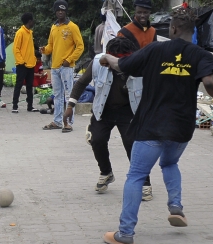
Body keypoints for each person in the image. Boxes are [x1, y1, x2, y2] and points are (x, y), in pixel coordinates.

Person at [99, 7, 213, 244]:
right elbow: (210, 82)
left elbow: (122, 65)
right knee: (169, 163)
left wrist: (106, 58)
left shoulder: (154, 50)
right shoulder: (202, 56)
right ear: (193, 32)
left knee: (136, 176)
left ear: (172, 28)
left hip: (151, 127)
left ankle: (125, 233)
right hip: (181, 129)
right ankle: (176, 207)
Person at [65, 36, 153, 199]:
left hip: (128, 111)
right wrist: (70, 105)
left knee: (132, 145)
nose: (116, 65)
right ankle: (106, 173)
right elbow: (81, 82)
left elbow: (153, 90)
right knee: (96, 140)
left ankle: (144, 181)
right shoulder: (99, 62)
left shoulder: (140, 66)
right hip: (103, 110)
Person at [40, 0, 83, 132]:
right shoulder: (53, 27)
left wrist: (70, 59)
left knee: (69, 95)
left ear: (66, 12)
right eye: (58, 10)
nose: (60, 12)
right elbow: (51, 46)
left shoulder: (72, 27)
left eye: (62, 10)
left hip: (67, 67)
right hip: (55, 67)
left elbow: (80, 46)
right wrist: (44, 50)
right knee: (57, 95)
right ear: (55, 11)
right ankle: (57, 121)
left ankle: (68, 123)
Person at [12, 13, 37, 113]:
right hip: (22, 64)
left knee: (30, 86)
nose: (33, 22)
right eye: (32, 20)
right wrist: (21, 61)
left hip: (31, 64)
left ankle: (30, 106)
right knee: (19, 85)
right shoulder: (20, 32)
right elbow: (16, 48)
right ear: (29, 21)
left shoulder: (30, 32)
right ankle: (15, 106)